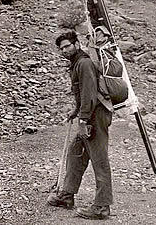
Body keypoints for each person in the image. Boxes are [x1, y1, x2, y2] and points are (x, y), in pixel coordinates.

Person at [47, 30, 113, 220]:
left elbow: (90, 95)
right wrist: (76, 111)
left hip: (96, 115)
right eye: (61, 49)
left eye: (67, 46)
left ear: (76, 44)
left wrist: (83, 120)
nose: (64, 51)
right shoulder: (76, 63)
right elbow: (82, 92)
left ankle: (102, 207)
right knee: (75, 152)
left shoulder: (83, 63)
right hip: (88, 113)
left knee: (99, 159)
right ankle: (67, 195)